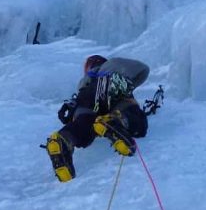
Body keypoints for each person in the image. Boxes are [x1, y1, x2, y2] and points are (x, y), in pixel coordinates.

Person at [45, 54, 150, 182]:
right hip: (110, 89)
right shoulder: (111, 68)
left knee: (84, 126)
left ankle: (64, 138)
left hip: (85, 99)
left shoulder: (84, 84)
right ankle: (115, 121)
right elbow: (143, 69)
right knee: (136, 119)